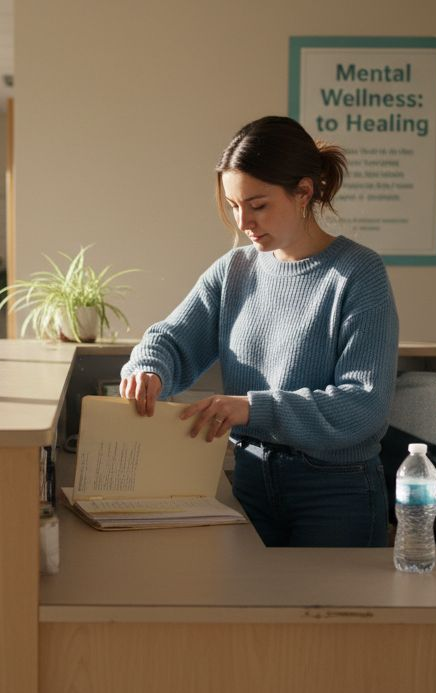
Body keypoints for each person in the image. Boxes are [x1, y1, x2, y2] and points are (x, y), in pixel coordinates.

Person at [119, 116, 399, 547]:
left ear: (303, 192)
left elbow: (364, 405)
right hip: (250, 483)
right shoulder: (234, 270)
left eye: (258, 205)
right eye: (234, 206)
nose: (243, 221)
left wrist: (252, 409)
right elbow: (171, 340)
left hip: (336, 493)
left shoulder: (358, 273)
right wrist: (149, 368)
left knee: (327, 597)